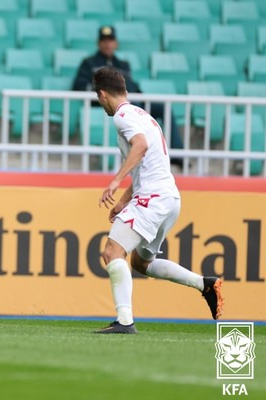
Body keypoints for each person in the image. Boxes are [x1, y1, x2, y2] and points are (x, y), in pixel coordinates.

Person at [93, 67, 223, 334]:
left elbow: (140, 147)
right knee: (141, 264)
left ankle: (125, 322)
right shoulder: (144, 116)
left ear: (102, 95)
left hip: (152, 199)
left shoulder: (121, 117)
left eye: (99, 98)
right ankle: (205, 284)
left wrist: (116, 180)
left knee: (111, 253)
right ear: (125, 90)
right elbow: (146, 164)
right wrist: (123, 201)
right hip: (169, 198)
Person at [72, 26, 183, 167]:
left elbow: (132, 87)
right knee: (135, 105)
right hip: (108, 106)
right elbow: (79, 86)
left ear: (116, 43)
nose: (108, 44)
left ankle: (177, 156)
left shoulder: (123, 65)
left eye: (111, 40)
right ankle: (142, 149)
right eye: (104, 40)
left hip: (131, 103)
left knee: (162, 108)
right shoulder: (89, 64)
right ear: (98, 43)